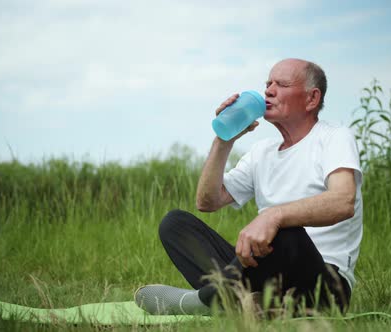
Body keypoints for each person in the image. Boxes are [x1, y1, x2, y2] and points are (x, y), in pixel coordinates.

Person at [135, 58, 363, 316]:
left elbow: (343, 201)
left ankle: (205, 302)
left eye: (282, 84)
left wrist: (274, 216)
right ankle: (250, 304)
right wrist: (224, 140)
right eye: (268, 83)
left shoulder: (334, 138)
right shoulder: (261, 152)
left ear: (311, 98)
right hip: (268, 277)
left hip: (322, 283)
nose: (269, 90)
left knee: (287, 232)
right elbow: (208, 201)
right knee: (175, 224)